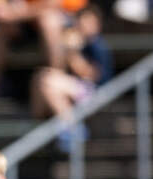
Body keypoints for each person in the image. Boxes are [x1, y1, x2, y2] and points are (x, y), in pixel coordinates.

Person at [29, 5, 112, 152]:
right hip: (75, 93)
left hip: (95, 93)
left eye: (89, 22)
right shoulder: (78, 41)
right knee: (41, 78)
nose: (85, 26)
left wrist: (72, 53)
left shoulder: (97, 45)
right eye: (83, 22)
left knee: (48, 80)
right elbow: (58, 68)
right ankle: (58, 126)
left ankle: (73, 129)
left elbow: (89, 75)